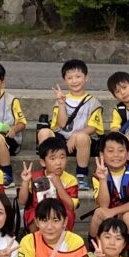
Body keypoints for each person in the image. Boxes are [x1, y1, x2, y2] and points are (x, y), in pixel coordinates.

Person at [39, 58, 105, 186]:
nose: (74, 81)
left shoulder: (93, 102)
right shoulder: (62, 99)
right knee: (44, 132)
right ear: (65, 80)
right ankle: (48, 171)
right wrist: (61, 104)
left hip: (82, 143)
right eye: (69, 78)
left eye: (78, 76)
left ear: (86, 78)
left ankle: (82, 174)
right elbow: (62, 124)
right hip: (63, 140)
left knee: (82, 137)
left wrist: (75, 135)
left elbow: (92, 128)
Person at [90, 131, 129, 248]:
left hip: (128, 214)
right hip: (109, 212)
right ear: (102, 155)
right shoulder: (98, 173)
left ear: (128, 154)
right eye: (110, 151)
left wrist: (113, 212)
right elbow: (103, 205)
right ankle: (93, 249)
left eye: (121, 151)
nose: (116, 155)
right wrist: (102, 179)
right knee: (98, 213)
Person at [17, 133, 80, 232]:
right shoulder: (35, 177)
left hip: (60, 212)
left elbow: (71, 206)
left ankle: (61, 239)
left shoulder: (70, 180)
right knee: (33, 214)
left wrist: (59, 185)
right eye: (53, 158)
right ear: (43, 162)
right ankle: (36, 238)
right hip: (39, 210)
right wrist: (25, 182)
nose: (58, 162)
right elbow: (22, 201)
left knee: (67, 214)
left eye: (62, 157)